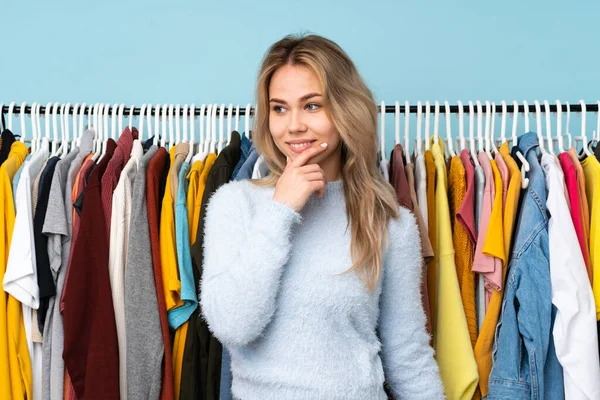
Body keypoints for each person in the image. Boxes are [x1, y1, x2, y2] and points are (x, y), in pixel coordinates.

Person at [199, 33, 444, 400]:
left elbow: (408, 358)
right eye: (279, 108)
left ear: (345, 109)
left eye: (311, 105)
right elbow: (234, 326)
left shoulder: (390, 224)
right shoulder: (235, 204)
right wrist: (280, 209)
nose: (293, 125)